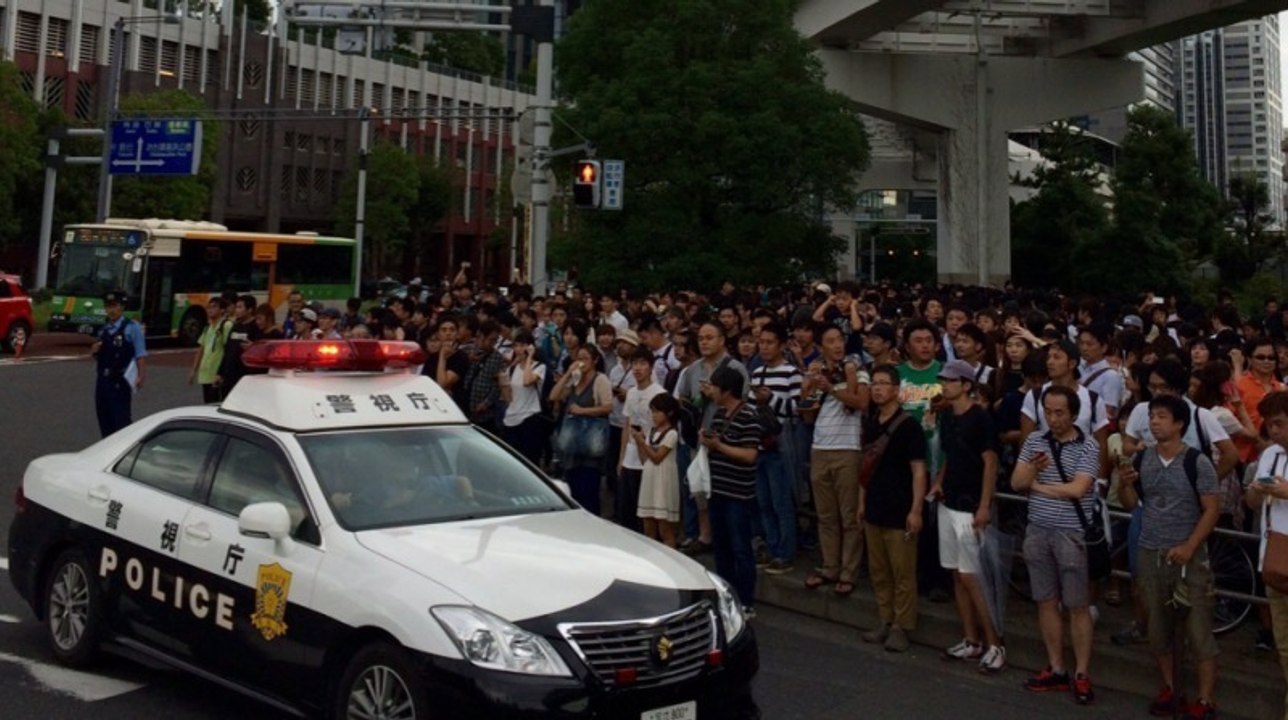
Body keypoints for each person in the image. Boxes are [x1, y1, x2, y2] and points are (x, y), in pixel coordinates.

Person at [1117, 395, 1222, 720]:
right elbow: (1131, 504)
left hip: (1188, 557)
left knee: (1198, 627)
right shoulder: (1143, 459)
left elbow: (1212, 509)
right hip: (1151, 550)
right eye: (1152, 416)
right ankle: (1171, 686)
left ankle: (1204, 699)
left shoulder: (1197, 462)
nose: (1154, 422)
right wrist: (1125, 485)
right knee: (1158, 628)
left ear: (1179, 423)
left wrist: (1191, 545)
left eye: (1161, 416)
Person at [1011, 385, 1100, 705]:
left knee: (1077, 604)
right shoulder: (1035, 440)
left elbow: (1079, 489)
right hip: (1038, 529)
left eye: (1059, 412)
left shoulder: (1088, 445)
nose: (1053, 418)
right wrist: (1033, 474)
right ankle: (1057, 666)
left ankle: (1081, 672)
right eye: (1048, 411)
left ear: (1074, 414)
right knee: (1045, 599)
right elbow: (1016, 482)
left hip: (1070, 532)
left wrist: (1038, 486)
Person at [932, 360, 1005, 673]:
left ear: (966, 385)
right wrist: (938, 481)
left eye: (951, 381)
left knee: (972, 576)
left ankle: (995, 643)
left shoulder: (981, 419)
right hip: (948, 500)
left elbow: (990, 463)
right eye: (944, 380)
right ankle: (971, 638)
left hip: (971, 504)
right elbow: (950, 454)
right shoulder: (946, 416)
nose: (945, 385)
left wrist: (985, 505)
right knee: (956, 574)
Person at [859, 364, 928, 653]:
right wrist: (861, 502)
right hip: (874, 505)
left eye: (883, 383)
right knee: (879, 570)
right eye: (874, 382)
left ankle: (902, 625)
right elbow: (864, 468)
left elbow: (918, 471)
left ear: (896, 390)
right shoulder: (871, 422)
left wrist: (915, 509)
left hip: (900, 509)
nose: (877, 388)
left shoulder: (909, 426)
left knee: (902, 573)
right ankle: (885, 619)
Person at [800, 324, 869, 596]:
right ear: (822, 346)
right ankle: (829, 566)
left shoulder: (857, 369)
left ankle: (849, 571)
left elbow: (861, 404)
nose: (838, 345)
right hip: (820, 446)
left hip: (848, 447)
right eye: (830, 340)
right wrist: (809, 387)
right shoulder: (817, 371)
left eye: (840, 339)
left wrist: (831, 388)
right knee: (826, 515)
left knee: (849, 516)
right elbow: (806, 414)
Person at [701, 366, 761, 616]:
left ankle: (746, 601)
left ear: (727, 389)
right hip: (718, 489)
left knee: (740, 548)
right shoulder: (718, 414)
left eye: (715, 386)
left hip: (738, 493)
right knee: (722, 548)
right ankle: (727, 595)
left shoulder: (748, 414)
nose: (711, 390)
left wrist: (718, 445)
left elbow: (749, 455)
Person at [1246, 391, 1288, 719]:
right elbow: (1251, 505)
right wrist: (1257, 491)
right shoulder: (1271, 454)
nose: (1273, 432)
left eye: (1279, 424)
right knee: (1284, 645)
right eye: (1270, 425)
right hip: (1273, 559)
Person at [750, 322, 802, 575]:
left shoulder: (792, 373)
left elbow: (797, 409)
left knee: (781, 501)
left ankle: (785, 551)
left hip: (780, 445)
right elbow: (751, 408)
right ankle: (771, 547)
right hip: (759, 444)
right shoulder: (757, 372)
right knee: (764, 502)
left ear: (782, 345)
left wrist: (770, 398)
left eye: (770, 342)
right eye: (761, 342)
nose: (764, 347)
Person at [550, 345, 613, 515]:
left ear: (595, 361)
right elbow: (554, 396)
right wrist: (568, 374)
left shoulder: (600, 380)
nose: (581, 362)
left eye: (585, 358)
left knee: (589, 493)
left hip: (590, 443)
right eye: (579, 358)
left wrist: (582, 411)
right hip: (572, 446)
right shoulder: (575, 379)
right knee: (574, 493)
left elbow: (608, 407)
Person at [620, 347, 667, 531]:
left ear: (651, 367)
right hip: (630, 457)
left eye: (642, 364)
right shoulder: (631, 392)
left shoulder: (659, 393)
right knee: (626, 510)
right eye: (634, 364)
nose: (637, 368)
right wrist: (621, 458)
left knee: (645, 513)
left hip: (648, 456)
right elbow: (627, 424)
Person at [91, 291, 147, 437]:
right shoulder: (103, 330)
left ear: (121, 307)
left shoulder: (131, 327)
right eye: (108, 307)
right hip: (103, 380)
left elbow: (140, 353)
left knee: (121, 421)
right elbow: (101, 357)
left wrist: (141, 375)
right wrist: (94, 351)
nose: (111, 310)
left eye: (114, 306)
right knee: (104, 419)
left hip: (120, 380)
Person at [635, 393, 682, 547]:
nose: (653, 416)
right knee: (648, 527)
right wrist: (639, 442)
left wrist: (642, 443)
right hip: (650, 478)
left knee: (665, 530)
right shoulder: (651, 432)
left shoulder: (672, 433)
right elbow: (645, 459)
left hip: (664, 480)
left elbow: (657, 457)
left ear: (669, 413)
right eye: (652, 412)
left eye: (657, 412)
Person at [500, 331, 547, 466]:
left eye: (523, 345)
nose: (519, 349)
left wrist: (530, 357)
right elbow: (508, 398)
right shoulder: (512, 369)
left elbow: (527, 381)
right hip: (511, 418)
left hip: (529, 418)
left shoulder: (539, 367)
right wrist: (503, 383)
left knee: (529, 462)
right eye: (517, 346)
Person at [215, 294, 260, 394]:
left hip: (243, 377)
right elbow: (227, 350)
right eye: (236, 307)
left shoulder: (255, 328)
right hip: (228, 376)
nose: (236, 310)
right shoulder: (236, 326)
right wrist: (220, 373)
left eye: (240, 307)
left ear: (250, 310)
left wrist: (253, 348)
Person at [189, 297, 230, 404]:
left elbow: (229, 350)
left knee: (216, 404)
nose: (210, 310)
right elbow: (201, 349)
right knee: (207, 403)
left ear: (222, 310)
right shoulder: (208, 327)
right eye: (208, 307)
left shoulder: (226, 325)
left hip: (216, 374)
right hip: (205, 374)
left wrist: (222, 373)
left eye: (214, 307)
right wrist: (194, 370)